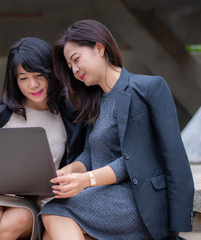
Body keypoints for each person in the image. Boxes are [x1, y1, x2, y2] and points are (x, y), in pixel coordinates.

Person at [39, 19, 194, 240]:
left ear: (99, 48)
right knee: (49, 234)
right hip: (103, 198)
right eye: (70, 65)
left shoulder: (147, 88)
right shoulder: (94, 101)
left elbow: (156, 156)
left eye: (76, 60)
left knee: (54, 212)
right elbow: (91, 153)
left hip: (138, 199)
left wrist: (87, 180)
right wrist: (70, 170)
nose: (74, 70)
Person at [0, 37, 86, 240]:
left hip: (35, 201)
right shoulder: (1, 112)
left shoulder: (69, 115)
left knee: (19, 219)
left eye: (39, 75)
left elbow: (80, 161)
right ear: (14, 80)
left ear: (52, 72)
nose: (33, 85)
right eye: (23, 78)